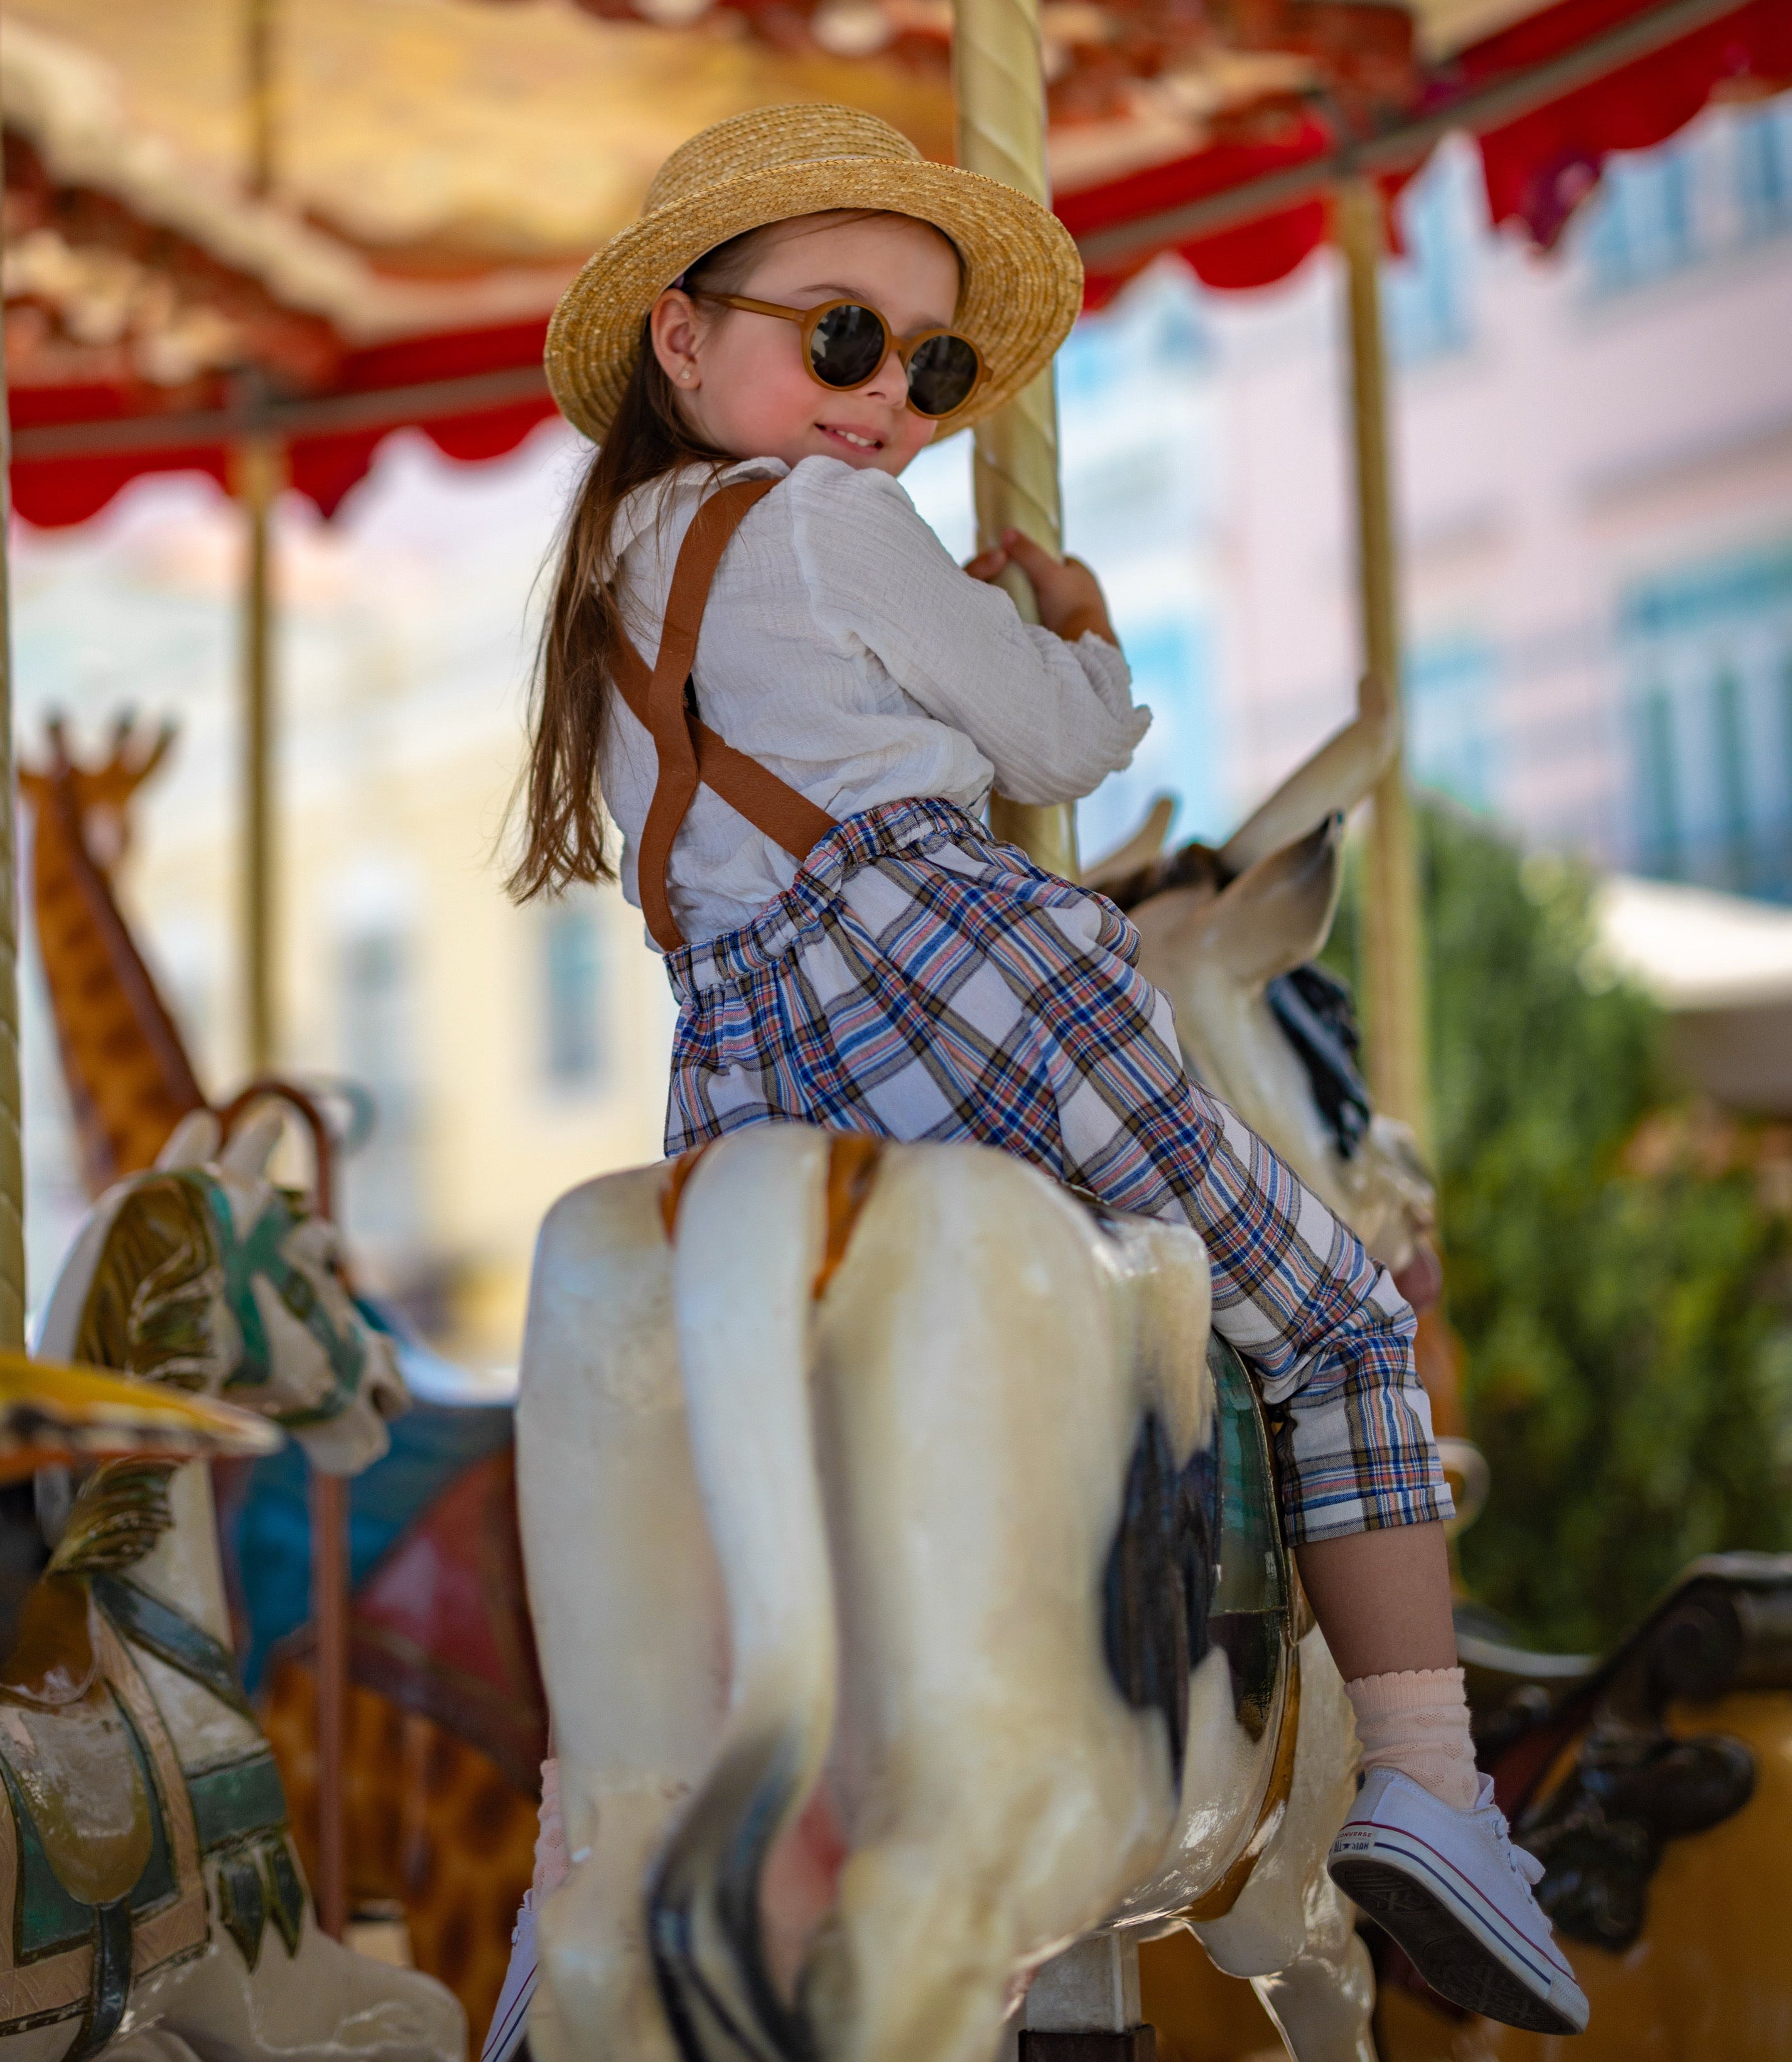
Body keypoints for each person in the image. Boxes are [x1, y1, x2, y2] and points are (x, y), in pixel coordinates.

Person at [487, 102, 1586, 2056]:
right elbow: (1055, 741)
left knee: (759, 1505)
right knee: (1332, 1310)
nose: (885, 406)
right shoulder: (827, 525)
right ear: (682, 337)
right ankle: (1430, 1782)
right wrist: (1070, 630)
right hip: (950, 973)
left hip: (742, 1063)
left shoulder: (616, 587)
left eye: (930, 367)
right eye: (839, 337)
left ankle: (560, 1918)